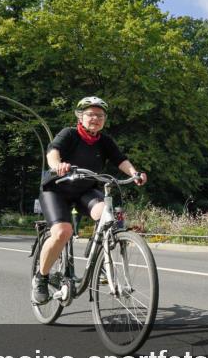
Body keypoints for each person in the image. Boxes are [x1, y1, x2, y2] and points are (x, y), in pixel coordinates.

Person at [33, 96, 147, 304]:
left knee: (108, 215)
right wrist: (58, 165)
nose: (95, 118)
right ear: (80, 116)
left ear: (104, 119)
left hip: (85, 190)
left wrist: (135, 173)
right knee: (63, 231)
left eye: (100, 115)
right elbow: (53, 152)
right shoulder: (69, 134)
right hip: (57, 190)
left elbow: (120, 159)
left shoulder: (104, 141)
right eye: (90, 114)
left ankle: (99, 258)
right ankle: (41, 278)